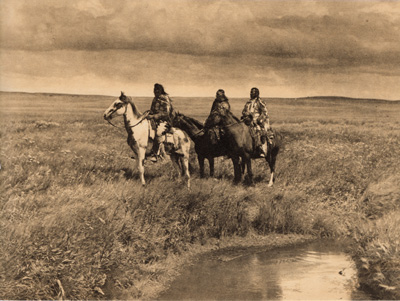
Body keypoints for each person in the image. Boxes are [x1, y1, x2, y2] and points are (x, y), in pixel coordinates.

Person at [241, 87, 274, 157]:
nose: (251, 93)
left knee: (258, 130)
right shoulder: (248, 102)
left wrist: (259, 119)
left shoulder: (260, 102)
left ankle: (260, 148)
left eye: (252, 92)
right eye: (250, 92)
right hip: (248, 119)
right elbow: (243, 111)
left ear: (256, 94)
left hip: (258, 120)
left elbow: (265, 112)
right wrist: (245, 115)